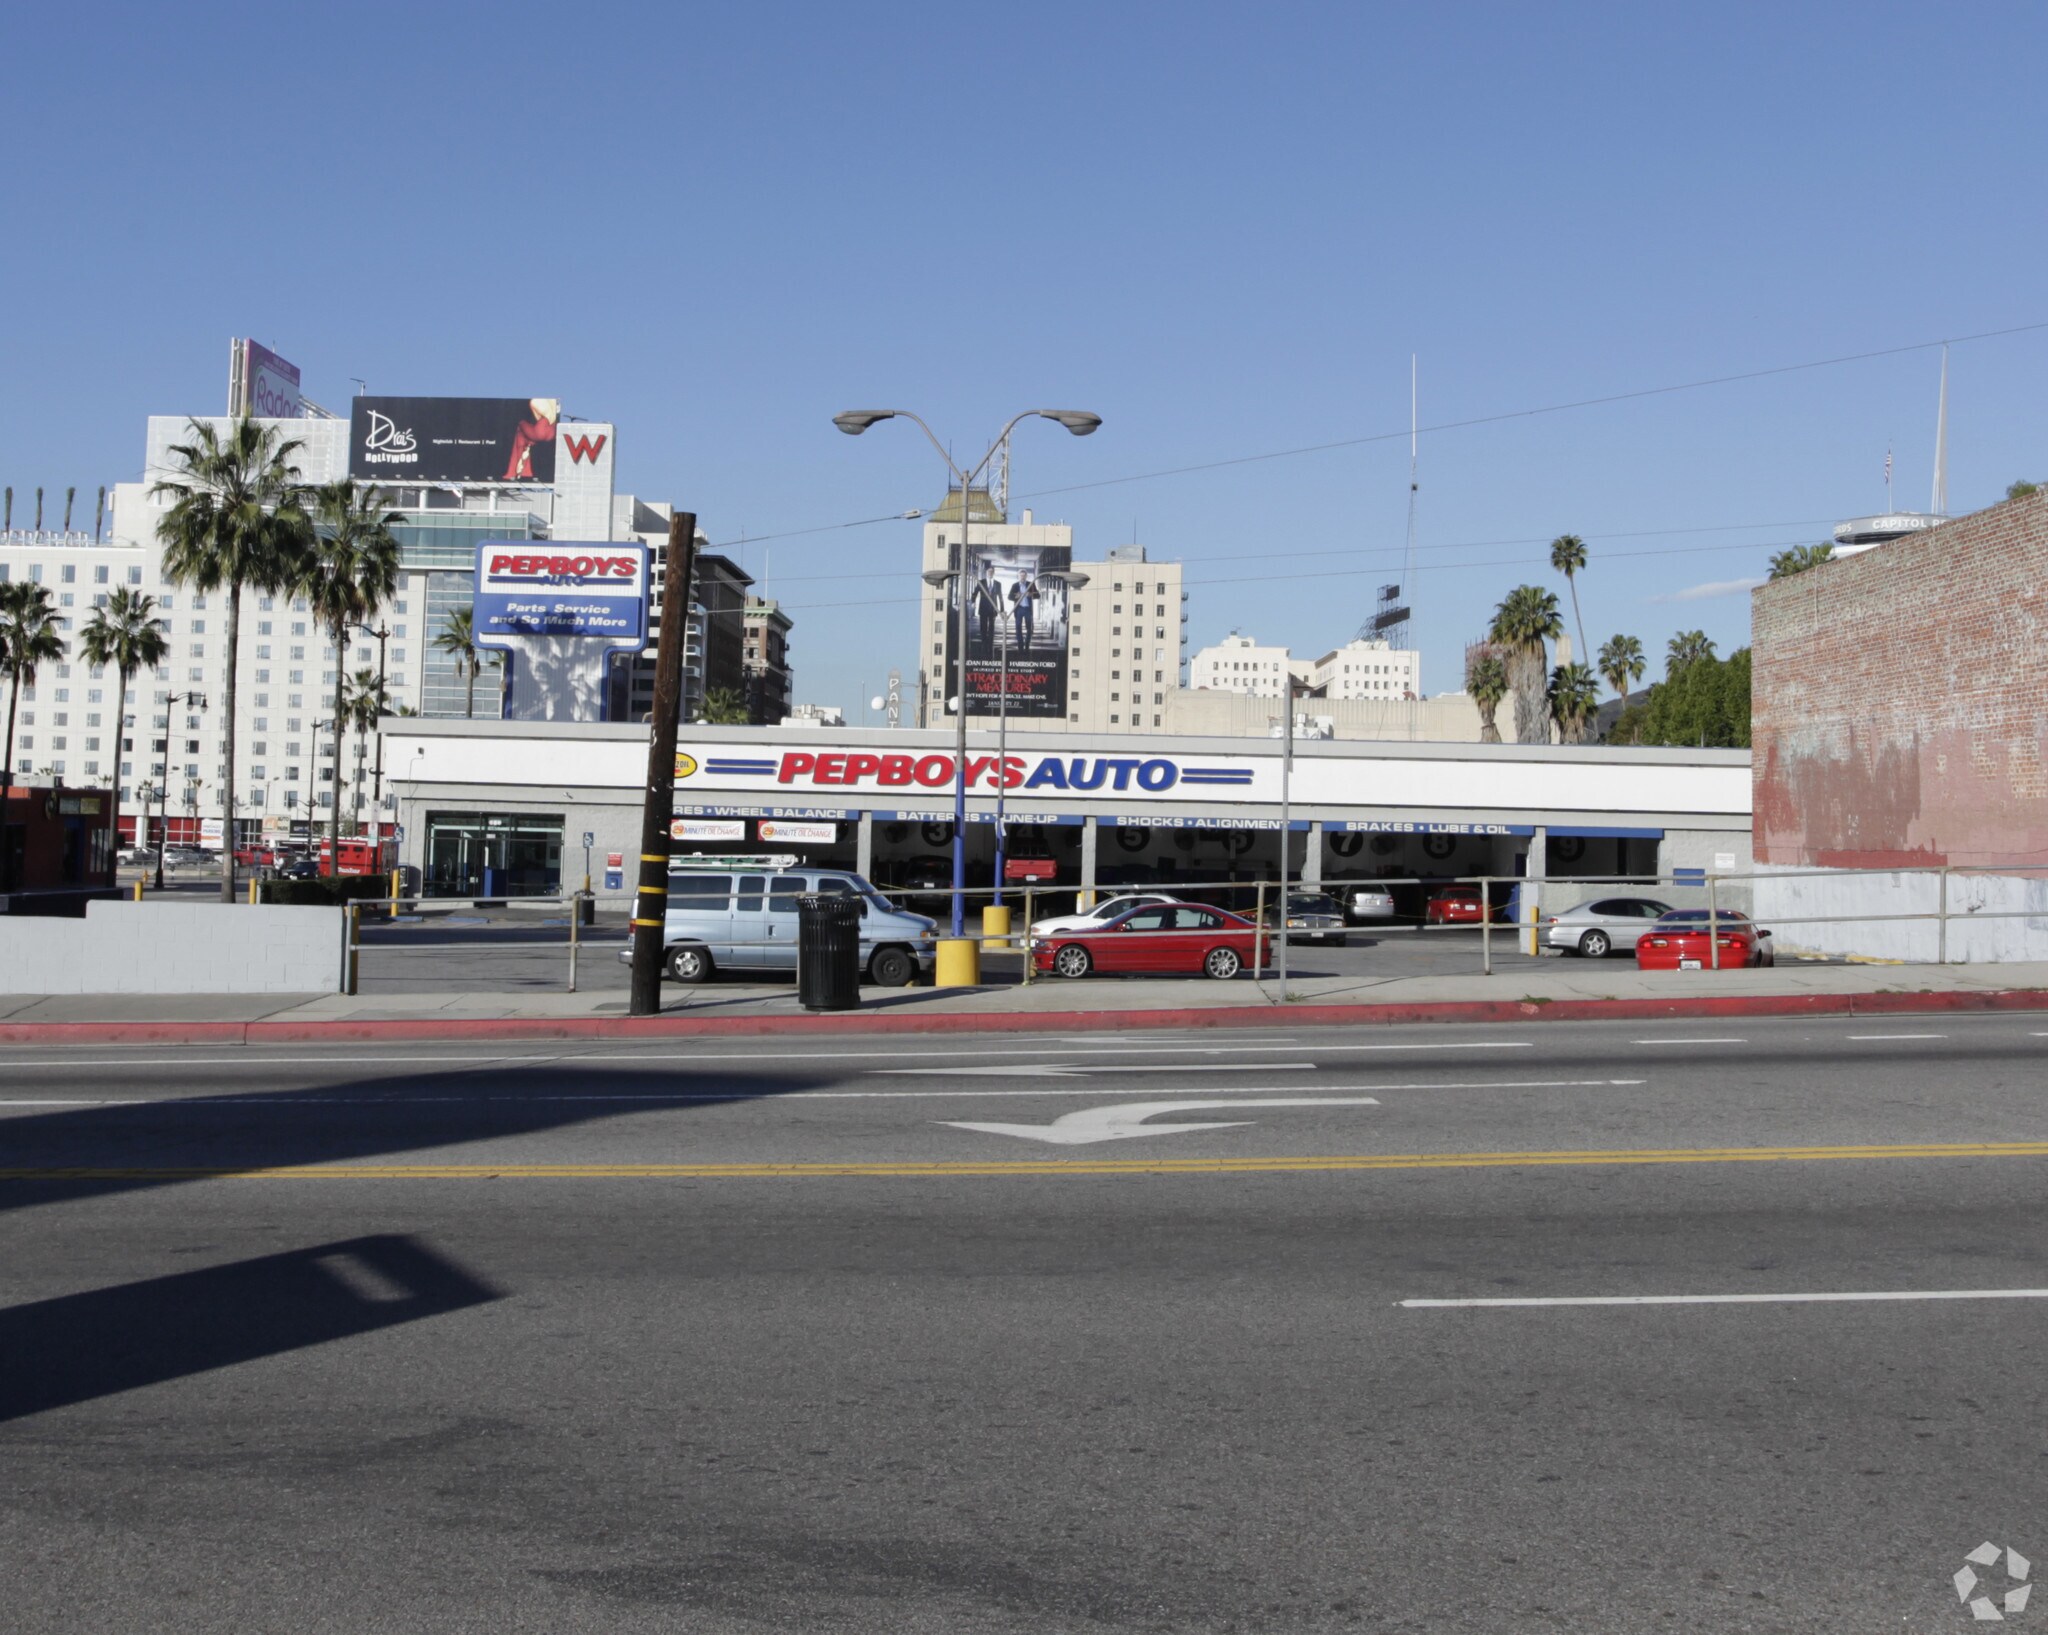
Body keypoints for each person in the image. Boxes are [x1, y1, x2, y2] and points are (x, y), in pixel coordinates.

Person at [970, 565, 1002, 657]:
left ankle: (990, 646)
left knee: (991, 628)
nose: (990, 573)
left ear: (994, 573)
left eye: (992, 571)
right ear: (986, 572)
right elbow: (975, 593)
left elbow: (1000, 597)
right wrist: (973, 602)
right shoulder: (981, 582)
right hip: (983, 608)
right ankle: (984, 645)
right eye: (989, 571)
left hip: (993, 609)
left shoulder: (998, 584)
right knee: (983, 628)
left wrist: (1002, 610)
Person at [1009, 572, 1039, 652]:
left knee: (1029, 628)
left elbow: (1038, 595)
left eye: (1024, 575)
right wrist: (1016, 596)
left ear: (1026, 576)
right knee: (1018, 628)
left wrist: (1031, 594)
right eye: (1021, 575)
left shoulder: (1031, 584)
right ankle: (1020, 646)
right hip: (1019, 609)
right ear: (1018, 576)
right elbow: (1009, 596)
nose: (1022, 577)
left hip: (1028, 609)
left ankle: (1027, 644)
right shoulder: (1015, 585)